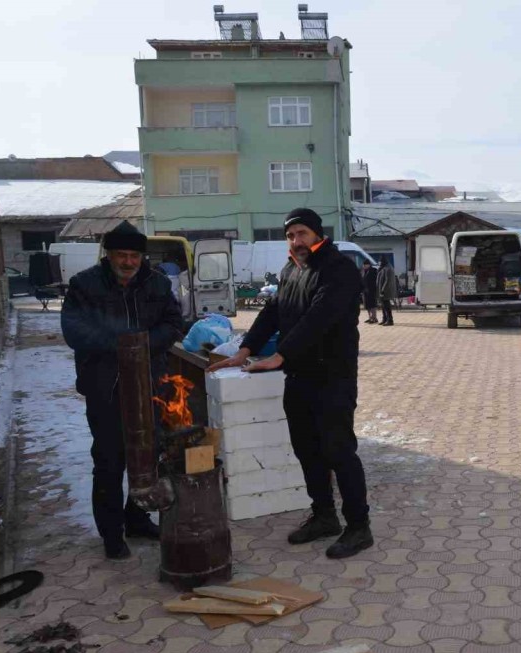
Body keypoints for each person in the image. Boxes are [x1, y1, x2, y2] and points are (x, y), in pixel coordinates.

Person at [207, 209, 372, 559]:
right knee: (307, 449)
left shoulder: (337, 268)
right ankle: (324, 516)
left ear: (317, 234)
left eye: (302, 234)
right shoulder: (290, 270)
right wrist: (246, 349)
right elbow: (272, 312)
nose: (296, 241)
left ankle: (359, 527)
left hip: (333, 376)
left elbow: (320, 317)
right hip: (300, 376)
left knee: (338, 450)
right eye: (291, 235)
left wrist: (281, 355)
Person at [61, 222, 184, 560]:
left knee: (147, 456)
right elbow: (74, 331)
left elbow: (174, 323)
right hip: (107, 387)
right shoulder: (84, 284)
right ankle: (112, 533)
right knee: (110, 460)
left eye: (134, 256)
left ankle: (137, 518)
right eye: (121, 255)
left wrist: (142, 345)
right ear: (108, 255)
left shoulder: (156, 283)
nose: (128, 262)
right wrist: (122, 347)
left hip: (150, 385)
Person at [376, 256, 398, 326]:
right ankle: (385, 319)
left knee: (386, 306)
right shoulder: (384, 268)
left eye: (380, 263)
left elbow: (387, 281)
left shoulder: (388, 269)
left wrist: (382, 290)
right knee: (383, 305)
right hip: (383, 290)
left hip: (386, 291)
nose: (379, 264)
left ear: (383, 262)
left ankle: (390, 320)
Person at [361, 260, 379, 324]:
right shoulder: (363, 271)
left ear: (368, 265)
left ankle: (374, 318)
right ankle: (370, 317)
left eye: (365, 265)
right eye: (363, 265)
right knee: (367, 305)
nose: (364, 266)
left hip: (372, 290)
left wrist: (372, 288)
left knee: (372, 304)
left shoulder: (373, 270)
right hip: (365, 291)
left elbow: (375, 281)